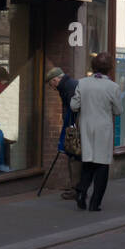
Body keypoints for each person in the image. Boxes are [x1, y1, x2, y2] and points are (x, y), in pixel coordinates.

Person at [71, 52, 123, 211]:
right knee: (101, 165)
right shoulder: (113, 87)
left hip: (86, 127)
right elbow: (118, 110)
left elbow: (74, 105)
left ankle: (81, 191)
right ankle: (95, 203)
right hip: (103, 130)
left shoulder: (82, 83)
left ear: (93, 67)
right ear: (110, 68)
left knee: (88, 162)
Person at [46, 66, 80, 198]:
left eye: (51, 84)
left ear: (56, 80)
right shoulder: (68, 85)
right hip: (75, 126)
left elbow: (72, 109)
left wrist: (68, 130)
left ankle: (77, 189)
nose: (52, 88)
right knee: (74, 156)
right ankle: (77, 188)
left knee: (74, 156)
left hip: (75, 127)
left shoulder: (68, 87)